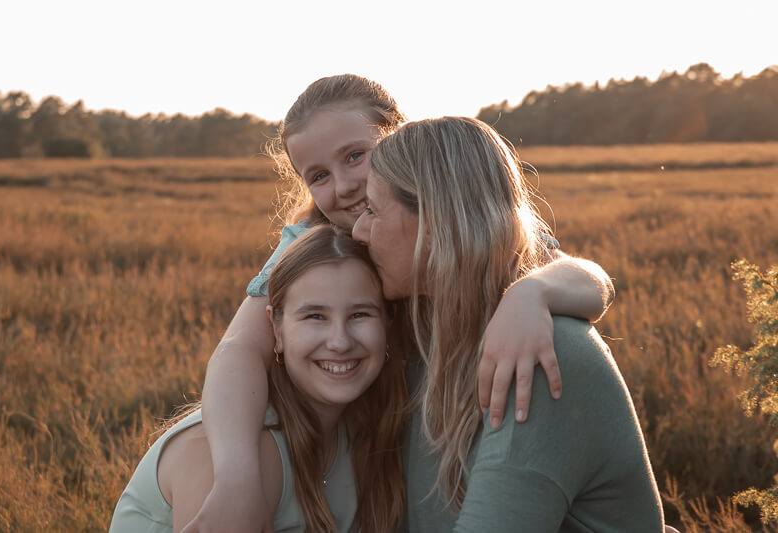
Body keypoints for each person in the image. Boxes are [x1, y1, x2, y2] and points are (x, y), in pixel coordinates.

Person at [186, 74, 616, 532]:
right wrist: (237, 476)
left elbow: (587, 279)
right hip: (382, 427)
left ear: (399, 140)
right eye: (319, 176)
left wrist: (533, 292)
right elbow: (239, 349)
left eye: (355, 156)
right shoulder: (314, 242)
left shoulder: (461, 224)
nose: (345, 186)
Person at [352, 116, 664, 531]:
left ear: (434, 223)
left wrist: (531, 292)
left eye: (372, 210)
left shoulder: (543, 355)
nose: (357, 231)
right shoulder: (423, 337)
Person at [110, 225, 407, 533]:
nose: (340, 342)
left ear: (388, 323)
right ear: (276, 330)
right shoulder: (229, 459)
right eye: (315, 316)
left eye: (359, 315)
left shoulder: (365, 434)